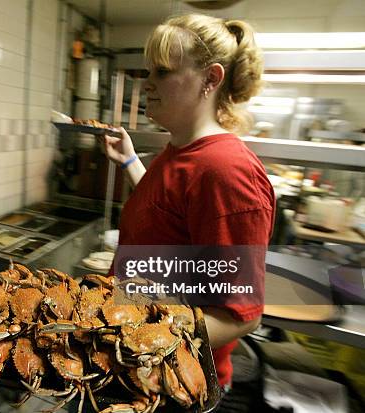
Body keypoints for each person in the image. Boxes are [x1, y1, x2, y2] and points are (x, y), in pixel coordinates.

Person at [99, 14, 275, 392]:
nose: (147, 84)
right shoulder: (178, 151)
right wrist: (130, 161)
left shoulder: (226, 171)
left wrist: (128, 339)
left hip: (171, 382)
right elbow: (168, 212)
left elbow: (241, 316)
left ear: (210, 79)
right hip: (134, 365)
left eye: (162, 72)